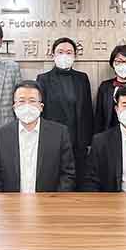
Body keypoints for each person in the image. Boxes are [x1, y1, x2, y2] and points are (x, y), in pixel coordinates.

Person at [0, 80, 76, 192]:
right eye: (21, 101)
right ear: (14, 107)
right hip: (10, 201)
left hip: (48, 201)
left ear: (41, 106)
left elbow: (67, 174)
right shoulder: (0, 136)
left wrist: (55, 200)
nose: (27, 106)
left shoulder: (59, 133)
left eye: (32, 101)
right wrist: (5, 200)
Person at [36, 37, 93, 188]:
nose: (64, 55)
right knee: (56, 181)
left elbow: (87, 111)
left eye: (69, 52)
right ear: (53, 55)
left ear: (75, 56)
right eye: (60, 52)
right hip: (54, 140)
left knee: (79, 182)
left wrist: (88, 142)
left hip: (78, 142)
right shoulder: (43, 79)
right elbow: (41, 112)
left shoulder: (82, 78)